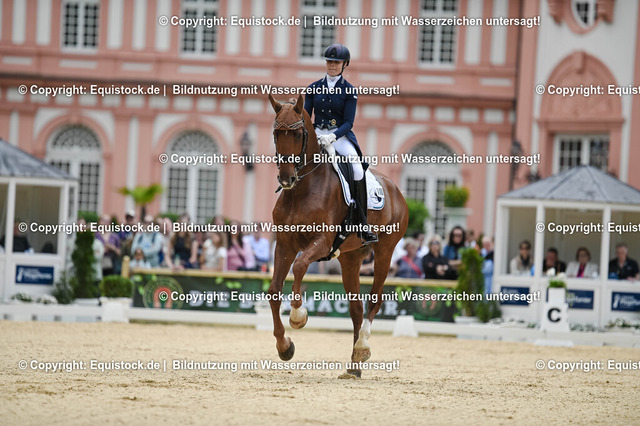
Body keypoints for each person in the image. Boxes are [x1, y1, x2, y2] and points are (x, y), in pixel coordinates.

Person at [303, 42, 377, 244]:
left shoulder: (349, 91)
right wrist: (312, 134)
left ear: (345, 64)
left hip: (339, 137)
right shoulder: (313, 88)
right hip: (317, 134)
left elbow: (348, 122)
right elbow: (306, 117)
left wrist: (333, 137)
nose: (332, 65)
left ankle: (361, 222)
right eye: (329, 61)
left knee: (357, 170)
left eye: (336, 62)